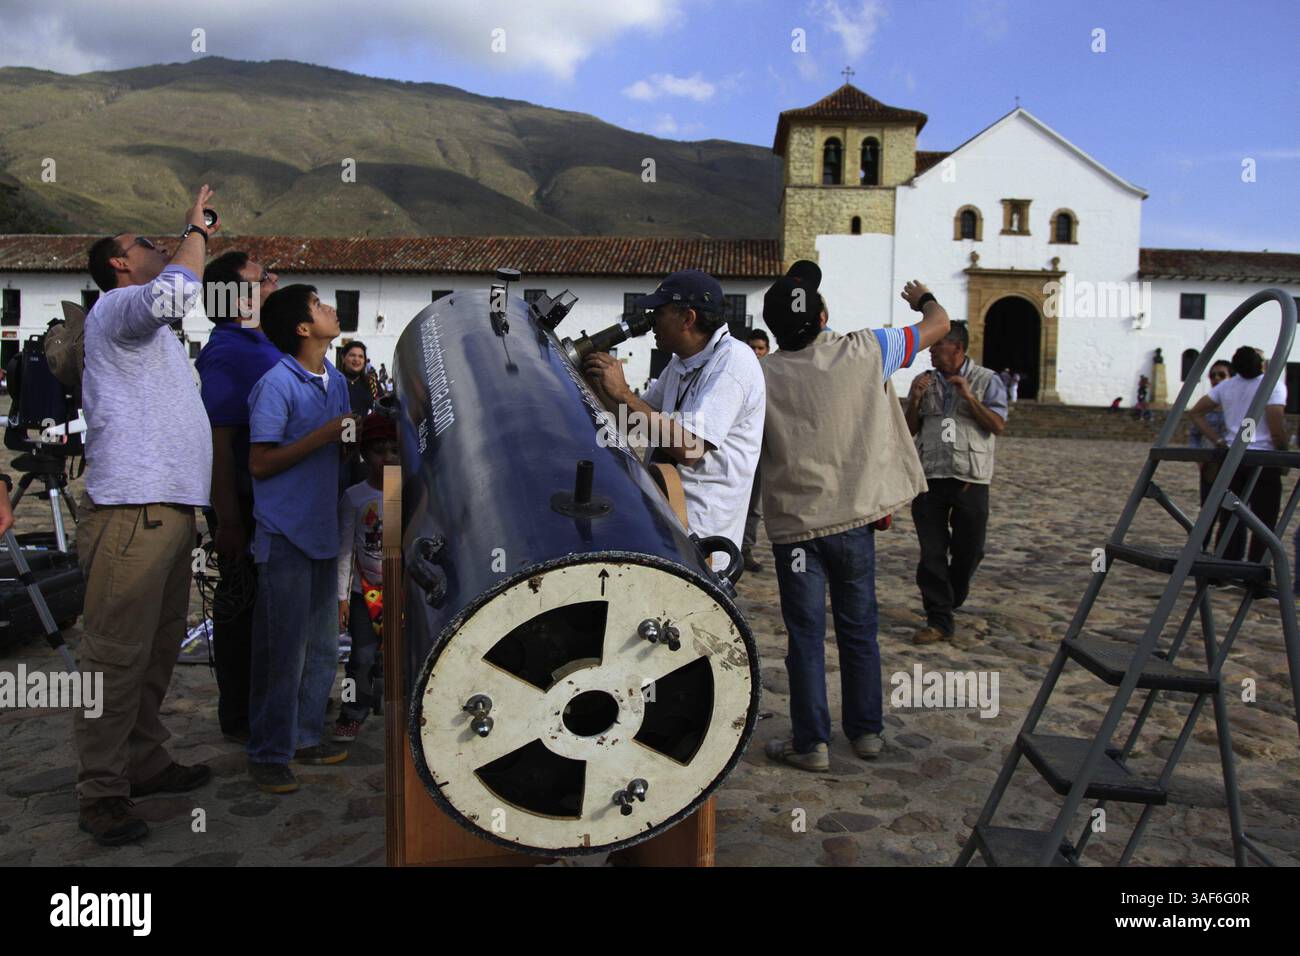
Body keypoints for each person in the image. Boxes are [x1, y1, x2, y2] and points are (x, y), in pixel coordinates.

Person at [760, 261, 949, 772]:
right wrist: (924, 297)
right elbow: (940, 325)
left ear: (774, 328)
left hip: (796, 530)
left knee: (804, 636)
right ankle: (866, 733)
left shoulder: (762, 375)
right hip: (853, 523)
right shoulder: (867, 351)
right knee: (859, 628)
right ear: (823, 316)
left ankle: (811, 742)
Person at [74, 185, 219, 846]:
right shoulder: (117, 308)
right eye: (144, 245)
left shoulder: (149, 327)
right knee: (114, 657)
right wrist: (198, 229)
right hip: (132, 513)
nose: (158, 247)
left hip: (166, 513)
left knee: (156, 651)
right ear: (119, 266)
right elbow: (178, 289)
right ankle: (101, 792)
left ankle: (145, 759)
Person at [246, 284, 356, 794]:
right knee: (282, 652)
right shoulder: (276, 385)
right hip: (285, 532)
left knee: (321, 648)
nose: (330, 307)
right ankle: (268, 753)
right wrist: (326, 434)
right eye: (318, 305)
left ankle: (308, 736)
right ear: (303, 328)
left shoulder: (334, 378)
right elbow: (260, 463)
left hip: (321, 529)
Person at [582, 270, 764, 564]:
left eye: (659, 313)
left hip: (703, 531)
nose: (651, 322)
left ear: (688, 318)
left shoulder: (733, 363)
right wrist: (601, 387)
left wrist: (625, 393)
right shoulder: (681, 363)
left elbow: (690, 449)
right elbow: (636, 422)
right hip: (666, 514)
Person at [196, 250, 282, 744]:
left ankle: (268, 700)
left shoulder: (260, 343)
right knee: (243, 607)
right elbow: (219, 442)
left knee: (269, 609)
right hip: (246, 508)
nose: (273, 280)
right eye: (262, 276)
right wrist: (228, 519)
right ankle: (242, 715)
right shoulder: (230, 352)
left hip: (271, 505)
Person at [904, 321, 1008, 646]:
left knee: (970, 551)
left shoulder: (988, 381)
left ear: (957, 349)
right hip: (930, 477)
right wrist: (915, 400)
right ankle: (939, 619)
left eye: (936, 347)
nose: (930, 352)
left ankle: (950, 596)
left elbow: (998, 425)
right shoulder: (924, 382)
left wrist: (969, 397)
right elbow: (909, 430)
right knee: (932, 554)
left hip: (970, 478)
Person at [332, 412, 399, 742]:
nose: (386, 459)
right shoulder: (355, 498)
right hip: (364, 593)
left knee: (399, 654)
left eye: (393, 450)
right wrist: (341, 597)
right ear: (364, 453)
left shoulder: (407, 492)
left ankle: (399, 711)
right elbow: (345, 549)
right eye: (378, 450)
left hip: (401, 592)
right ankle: (351, 712)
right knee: (359, 657)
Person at [1188, 346, 1288, 564]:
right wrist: (1283, 453)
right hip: (1263, 458)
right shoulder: (1272, 385)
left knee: (1230, 515)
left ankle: (1227, 564)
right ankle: (1256, 570)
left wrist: (1218, 440)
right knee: (1264, 519)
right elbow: (1276, 427)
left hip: (1233, 455)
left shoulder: (1227, 387)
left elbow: (1195, 412)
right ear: (1261, 364)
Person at [741, 328, 770, 572]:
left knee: (754, 504)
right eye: (752, 347)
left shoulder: (773, 374)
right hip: (740, 446)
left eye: (760, 348)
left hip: (763, 446)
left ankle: (745, 548)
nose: (756, 352)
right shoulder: (740, 372)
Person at [1186, 360, 1232, 506]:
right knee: (1207, 506)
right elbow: (1194, 435)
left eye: (1221, 375)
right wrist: (1198, 458)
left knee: (1232, 511)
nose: (1216, 378)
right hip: (1210, 463)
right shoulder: (1203, 406)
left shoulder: (1238, 404)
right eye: (1213, 375)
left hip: (1233, 463)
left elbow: (1249, 430)